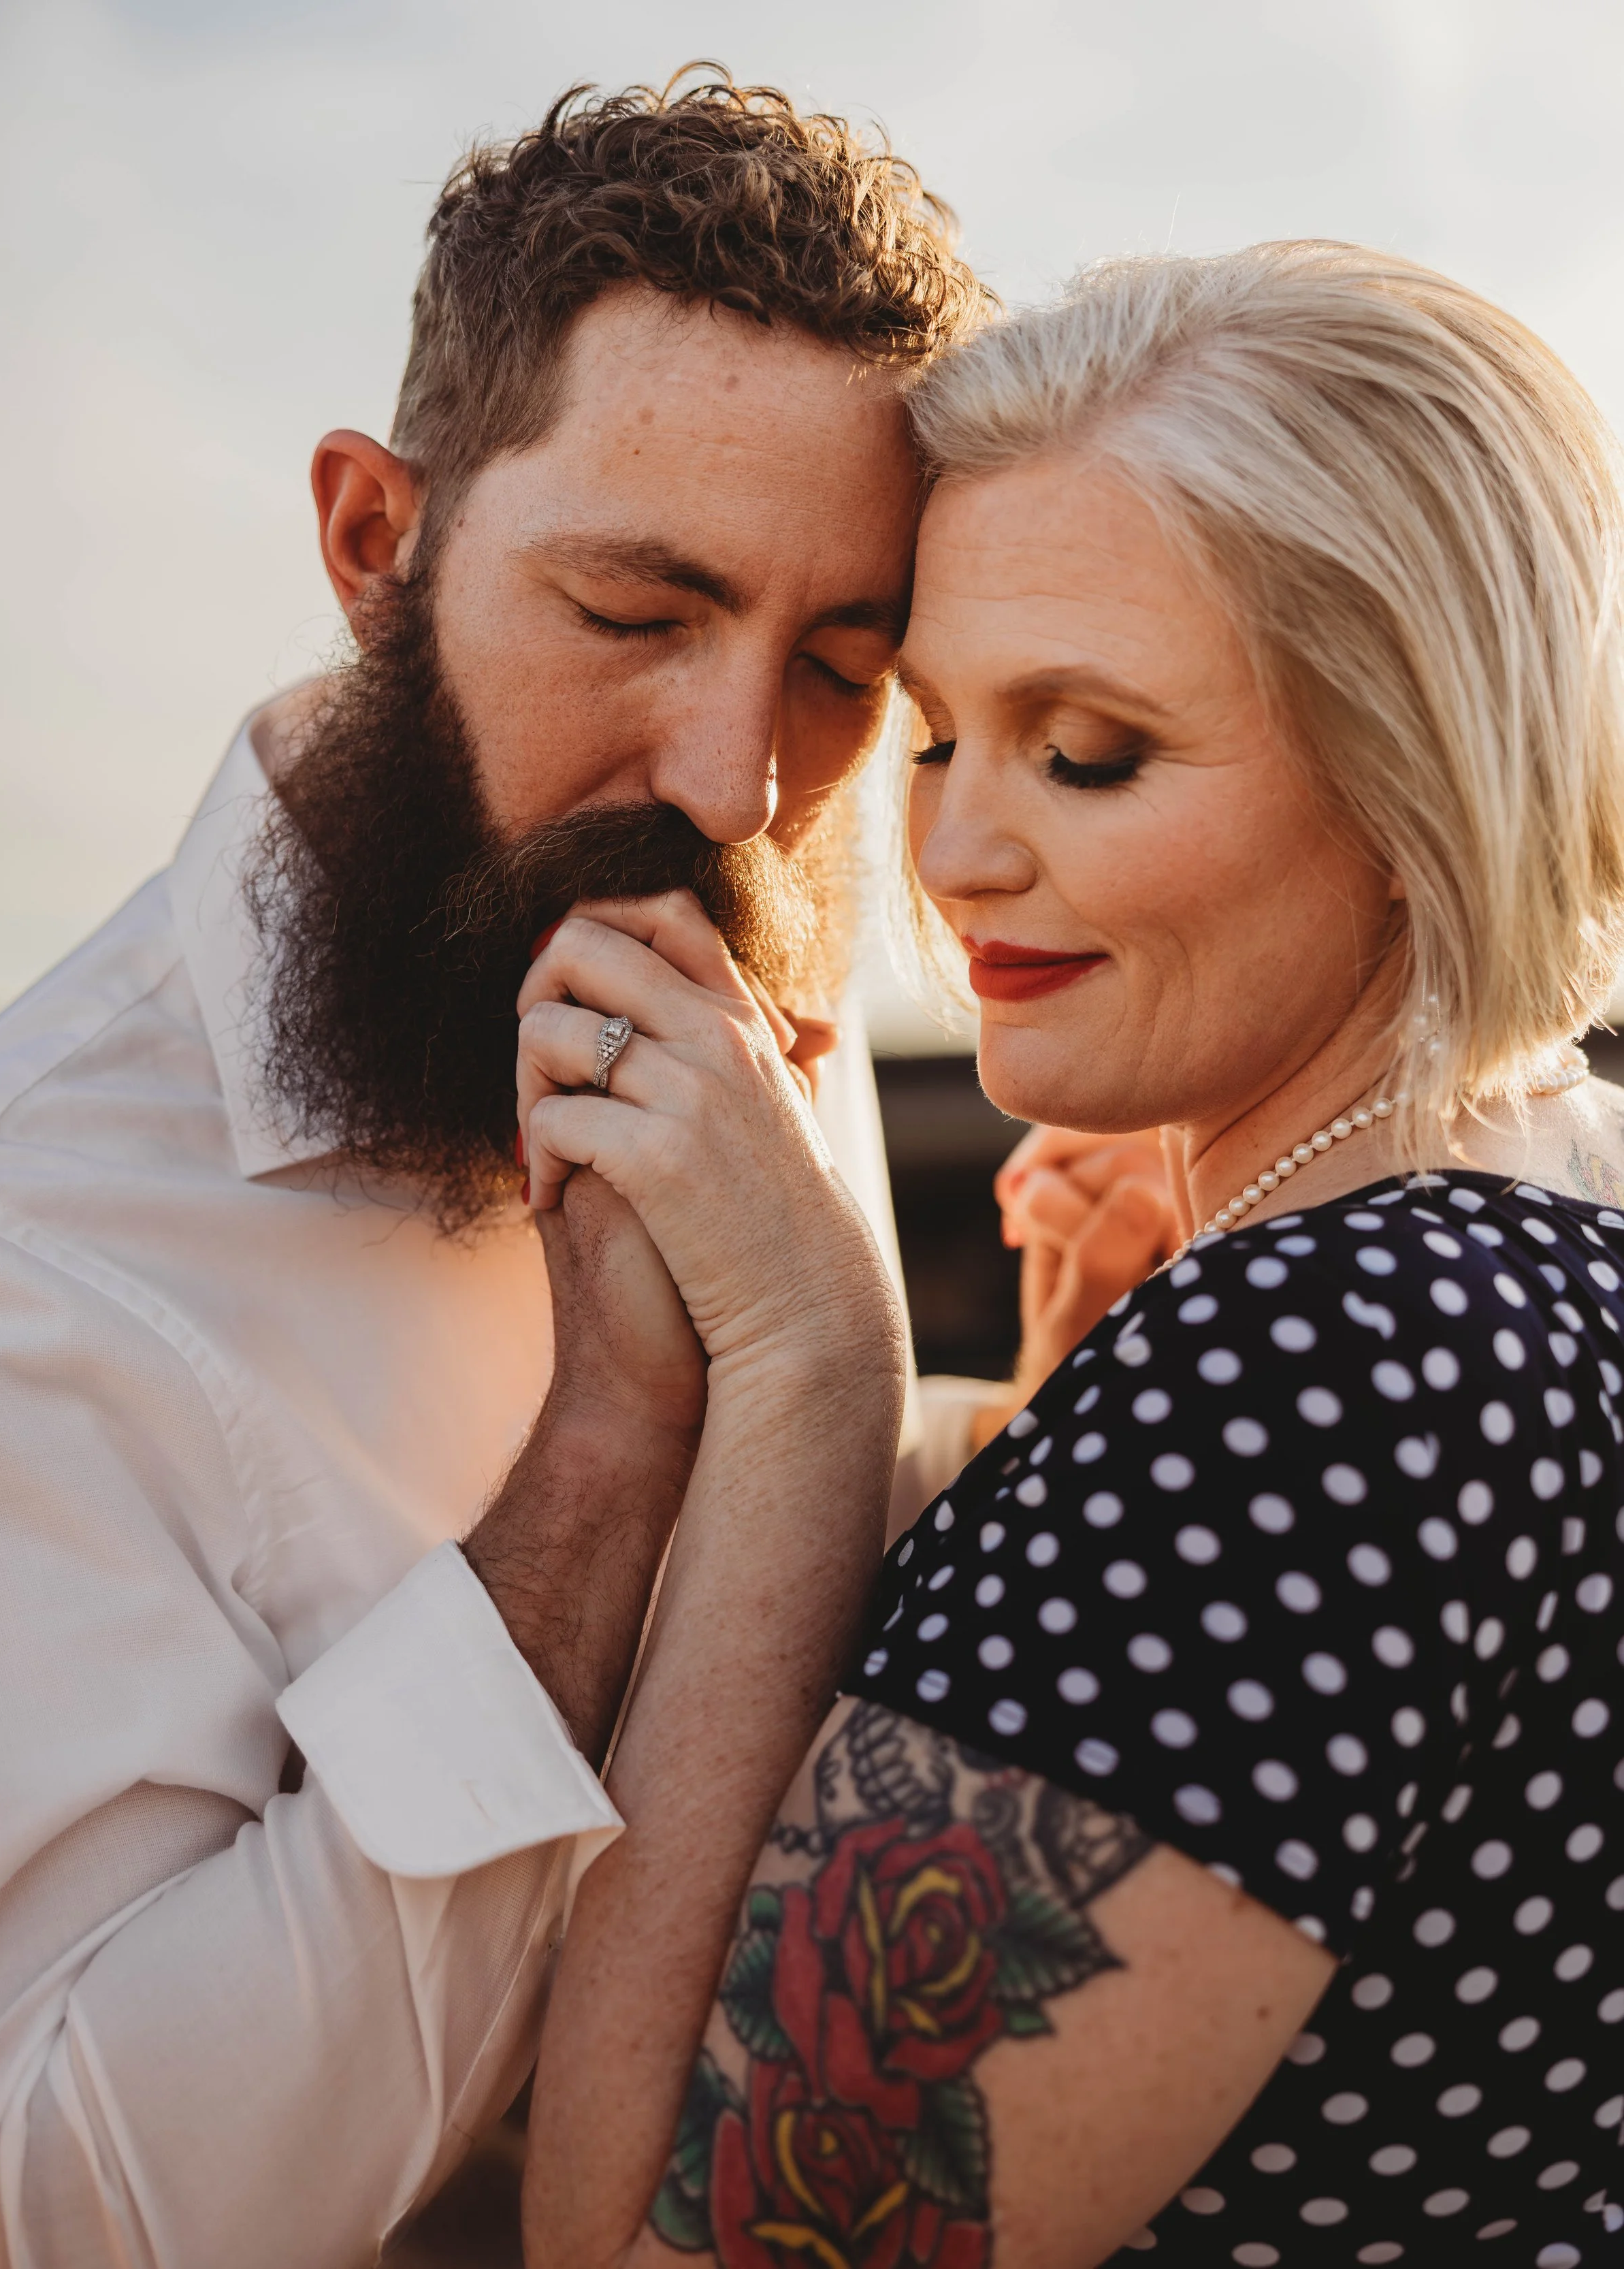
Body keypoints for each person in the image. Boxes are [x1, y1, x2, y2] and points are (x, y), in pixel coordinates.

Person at [0, 74, 998, 2269]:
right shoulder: (10, 1260)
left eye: (839, 666)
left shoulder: (726, 945)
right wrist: (600, 1457)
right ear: (369, 539)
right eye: (635, 609)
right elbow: (41, 2202)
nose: (735, 776)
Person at [508, 242, 1624, 2267]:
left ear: (1410, 773)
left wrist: (806, 1360)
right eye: (936, 730)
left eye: (1086, 748)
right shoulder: (1547, 1248)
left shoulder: (1330, 1358)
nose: (950, 852)